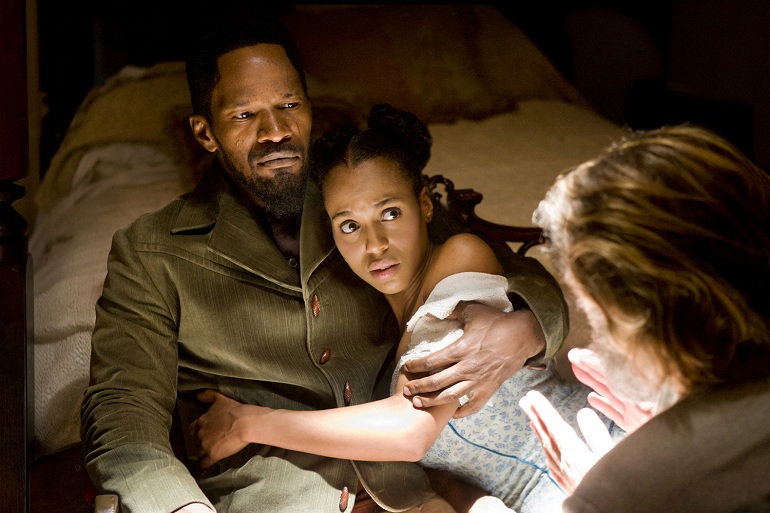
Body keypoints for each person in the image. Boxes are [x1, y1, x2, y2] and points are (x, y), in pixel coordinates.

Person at [80, 19, 569, 513]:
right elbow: (123, 411)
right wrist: (183, 508)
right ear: (205, 133)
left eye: (289, 105)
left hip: (420, 493)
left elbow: (514, 274)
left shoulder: (359, 190)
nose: (276, 132)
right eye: (245, 114)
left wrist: (525, 331)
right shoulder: (150, 252)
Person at [191, 103, 619, 513]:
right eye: (349, 225)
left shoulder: (461, 257)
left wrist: (249, 423)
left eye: (390, 213)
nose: (374, 245)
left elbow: (412, 431)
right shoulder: (383, 326)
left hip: (604, 447)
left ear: (425, 205)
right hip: (541, 499)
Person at [518, 124, 770, 513]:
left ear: (636, 314)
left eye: (593, 313)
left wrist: (603, 494)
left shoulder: (622, 491)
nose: (594, 338)